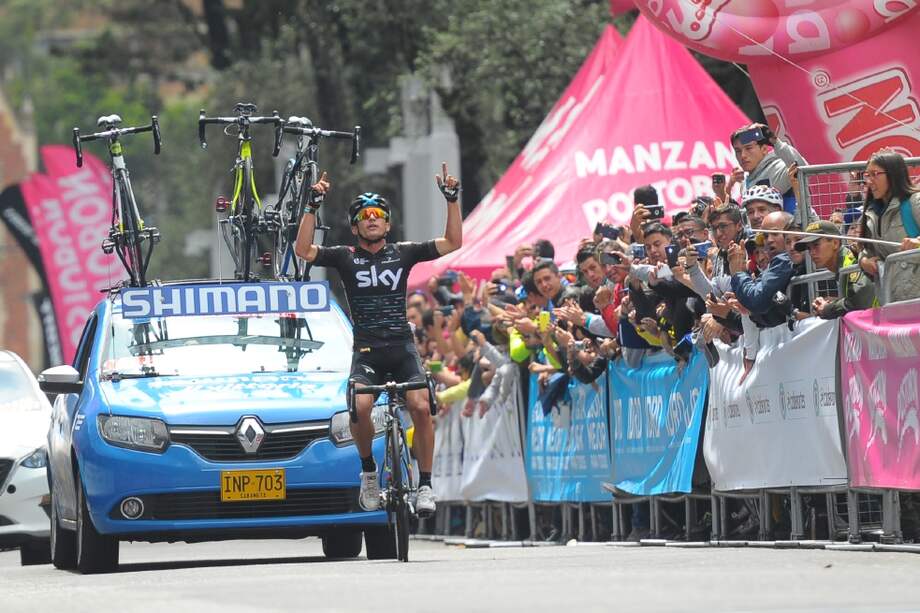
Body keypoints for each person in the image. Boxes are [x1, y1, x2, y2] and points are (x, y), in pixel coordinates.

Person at [293, 163, 462, 516]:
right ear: (355, 226)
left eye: (378, 214)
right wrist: (311, 206)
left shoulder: (404, 252)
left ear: (387, 224)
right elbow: (303, 250)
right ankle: (369, 471)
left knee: (419, 405)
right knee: (361, 407)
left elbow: (453, 242)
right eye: (364, 215)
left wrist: (452, 200)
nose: (372, 219)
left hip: (401, 347)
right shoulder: (344, 257)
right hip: (367, 351)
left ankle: (426, 485)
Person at [856, 149, 920, 303]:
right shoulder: (871, 214)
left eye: (875, 174)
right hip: (892, 302)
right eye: (867, 175)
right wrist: (863, 261)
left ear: (893, 174)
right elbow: (866, 250)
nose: (869, 181)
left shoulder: (915, 202)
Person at [793, 220, 874, 318]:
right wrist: (834, 302)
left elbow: (861, 301)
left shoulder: (850, 263)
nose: (812, 253)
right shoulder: (842, 265)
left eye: (816, 245)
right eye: (809, 248)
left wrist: (827, 308)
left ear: (835, 243)